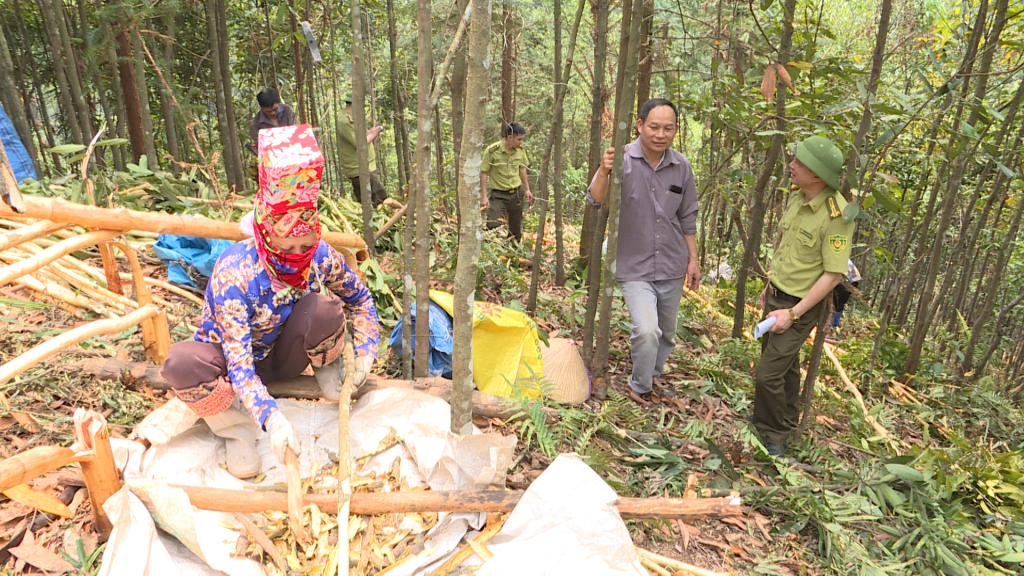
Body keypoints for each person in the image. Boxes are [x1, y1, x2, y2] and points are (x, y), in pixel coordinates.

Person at [160, 125, 379, 479]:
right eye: (286, 248)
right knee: (181, 363)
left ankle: (326, 370)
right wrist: (272, 419)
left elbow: (360, 299)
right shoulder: (235, 274)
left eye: (304, 247)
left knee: (324, 308)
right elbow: (240, 365)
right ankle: (236, 430)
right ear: (264, 236)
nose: (297, 256)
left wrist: (368, 349)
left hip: (286, 354)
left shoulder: (320, 256)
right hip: (232, 369)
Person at [587, 98, 701, 404]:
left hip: (672, 263)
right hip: (633, 263)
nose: (660, 134)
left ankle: (651, 373)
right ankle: (640, 387)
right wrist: (603, 170)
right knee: (647, 329)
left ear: (676, 130)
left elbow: (687, 216)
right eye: (653, 126)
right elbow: (595, 200)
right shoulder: (621, 158)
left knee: (667, 333)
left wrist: (693, 260)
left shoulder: (681, 166)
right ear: (640, 126)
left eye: (668, 128)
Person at [752, 135, 855, 457]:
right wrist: (767, 287)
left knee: (768, 374)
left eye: (800, 163)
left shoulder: (837, 215)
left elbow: (833, 274)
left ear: (818, 175)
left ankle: (775, 436)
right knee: (785, 366)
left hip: (799, 305)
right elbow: (787, 248)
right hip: (776, 295)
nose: (791, 166)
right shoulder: (798, 197)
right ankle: (778, 419)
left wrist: (792, 314)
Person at [480, 122, 533, 242]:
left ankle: (513, 252)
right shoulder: (492, 151)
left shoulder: (520, 150)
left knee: (516, 228)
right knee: (492, 224)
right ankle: (495, 250)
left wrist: (527, 189)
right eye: (519, 139)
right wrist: (483, 196)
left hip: (516, 193)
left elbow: (522, 168)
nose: (521, 142)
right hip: (499, 194)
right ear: (510, 137)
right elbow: (484, 172)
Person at [338, 96, 388, 206]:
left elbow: (358, 139)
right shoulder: (345, 121)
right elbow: (359, 144)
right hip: (359, 168)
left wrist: (369, 133)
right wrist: (373, 135)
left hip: (364, 167)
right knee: (381, 200)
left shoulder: (351, 118)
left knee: (372, 201)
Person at [831, 259, 861, 328]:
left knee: (837, 302)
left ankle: (832, 324)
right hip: (850, 280)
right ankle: (833, 324)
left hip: (847, 280)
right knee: (838, 302)